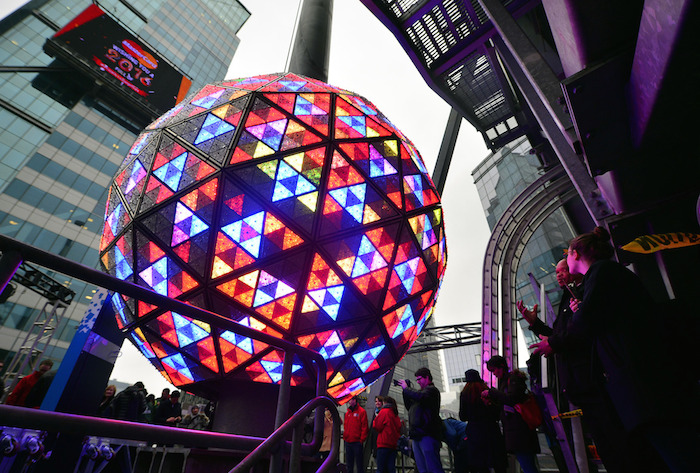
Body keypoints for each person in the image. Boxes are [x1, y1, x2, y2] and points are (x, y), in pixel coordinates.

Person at [542, 226, 698, 473]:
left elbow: (586, 322)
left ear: (576, 253)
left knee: (676, 451)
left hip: (642, 381)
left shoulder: (601, 273)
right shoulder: (605, 274)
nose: (562, 268)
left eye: (567, 256)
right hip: (642, 378)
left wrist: (553, 341)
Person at [483, 358, 540, 473]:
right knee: (527, 463)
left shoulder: (512, 380)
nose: (494, 373)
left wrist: (492, 392)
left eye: (494, 370)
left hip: (519, 430)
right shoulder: (507, 381)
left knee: (527, 464)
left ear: (502, 366)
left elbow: (512, 399)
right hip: (518, 430)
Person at [398, 367, 444, 473]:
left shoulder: (431, 391)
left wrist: (407, 389)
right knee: (422, 467)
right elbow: (409, 406)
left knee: (432, 467)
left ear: (427, 377)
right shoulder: (420, 394)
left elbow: (420, 397)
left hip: (427, 433)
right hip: (418, 434)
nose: (418, 382)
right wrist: (405, 392)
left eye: (419, 379)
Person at [459, 369, 506, 473]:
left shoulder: (465, 394)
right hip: (491, 430)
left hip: (475, 431)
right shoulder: (488, 391)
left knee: (479, 464)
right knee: (497, 461)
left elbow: (462, 416)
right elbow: (497, 414)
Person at [372, 396, 401, 473]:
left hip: (383, 443)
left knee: (381, 468)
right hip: (393, 445)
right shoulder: (395, 414)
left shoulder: (384, 411)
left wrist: (374, 421)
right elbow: (399, 428)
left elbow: (377, 426)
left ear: (385, 403)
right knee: (391, 467)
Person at [343, 396, 368, 473]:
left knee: (359, 464)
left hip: (357, 442)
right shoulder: (348, 413)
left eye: (350, 400)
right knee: (349, 464)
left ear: (355, 400)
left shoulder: (362, 412)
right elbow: (346, 426)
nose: (349, 402)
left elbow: (364, 426)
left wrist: (361, 440)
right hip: (348, 441)